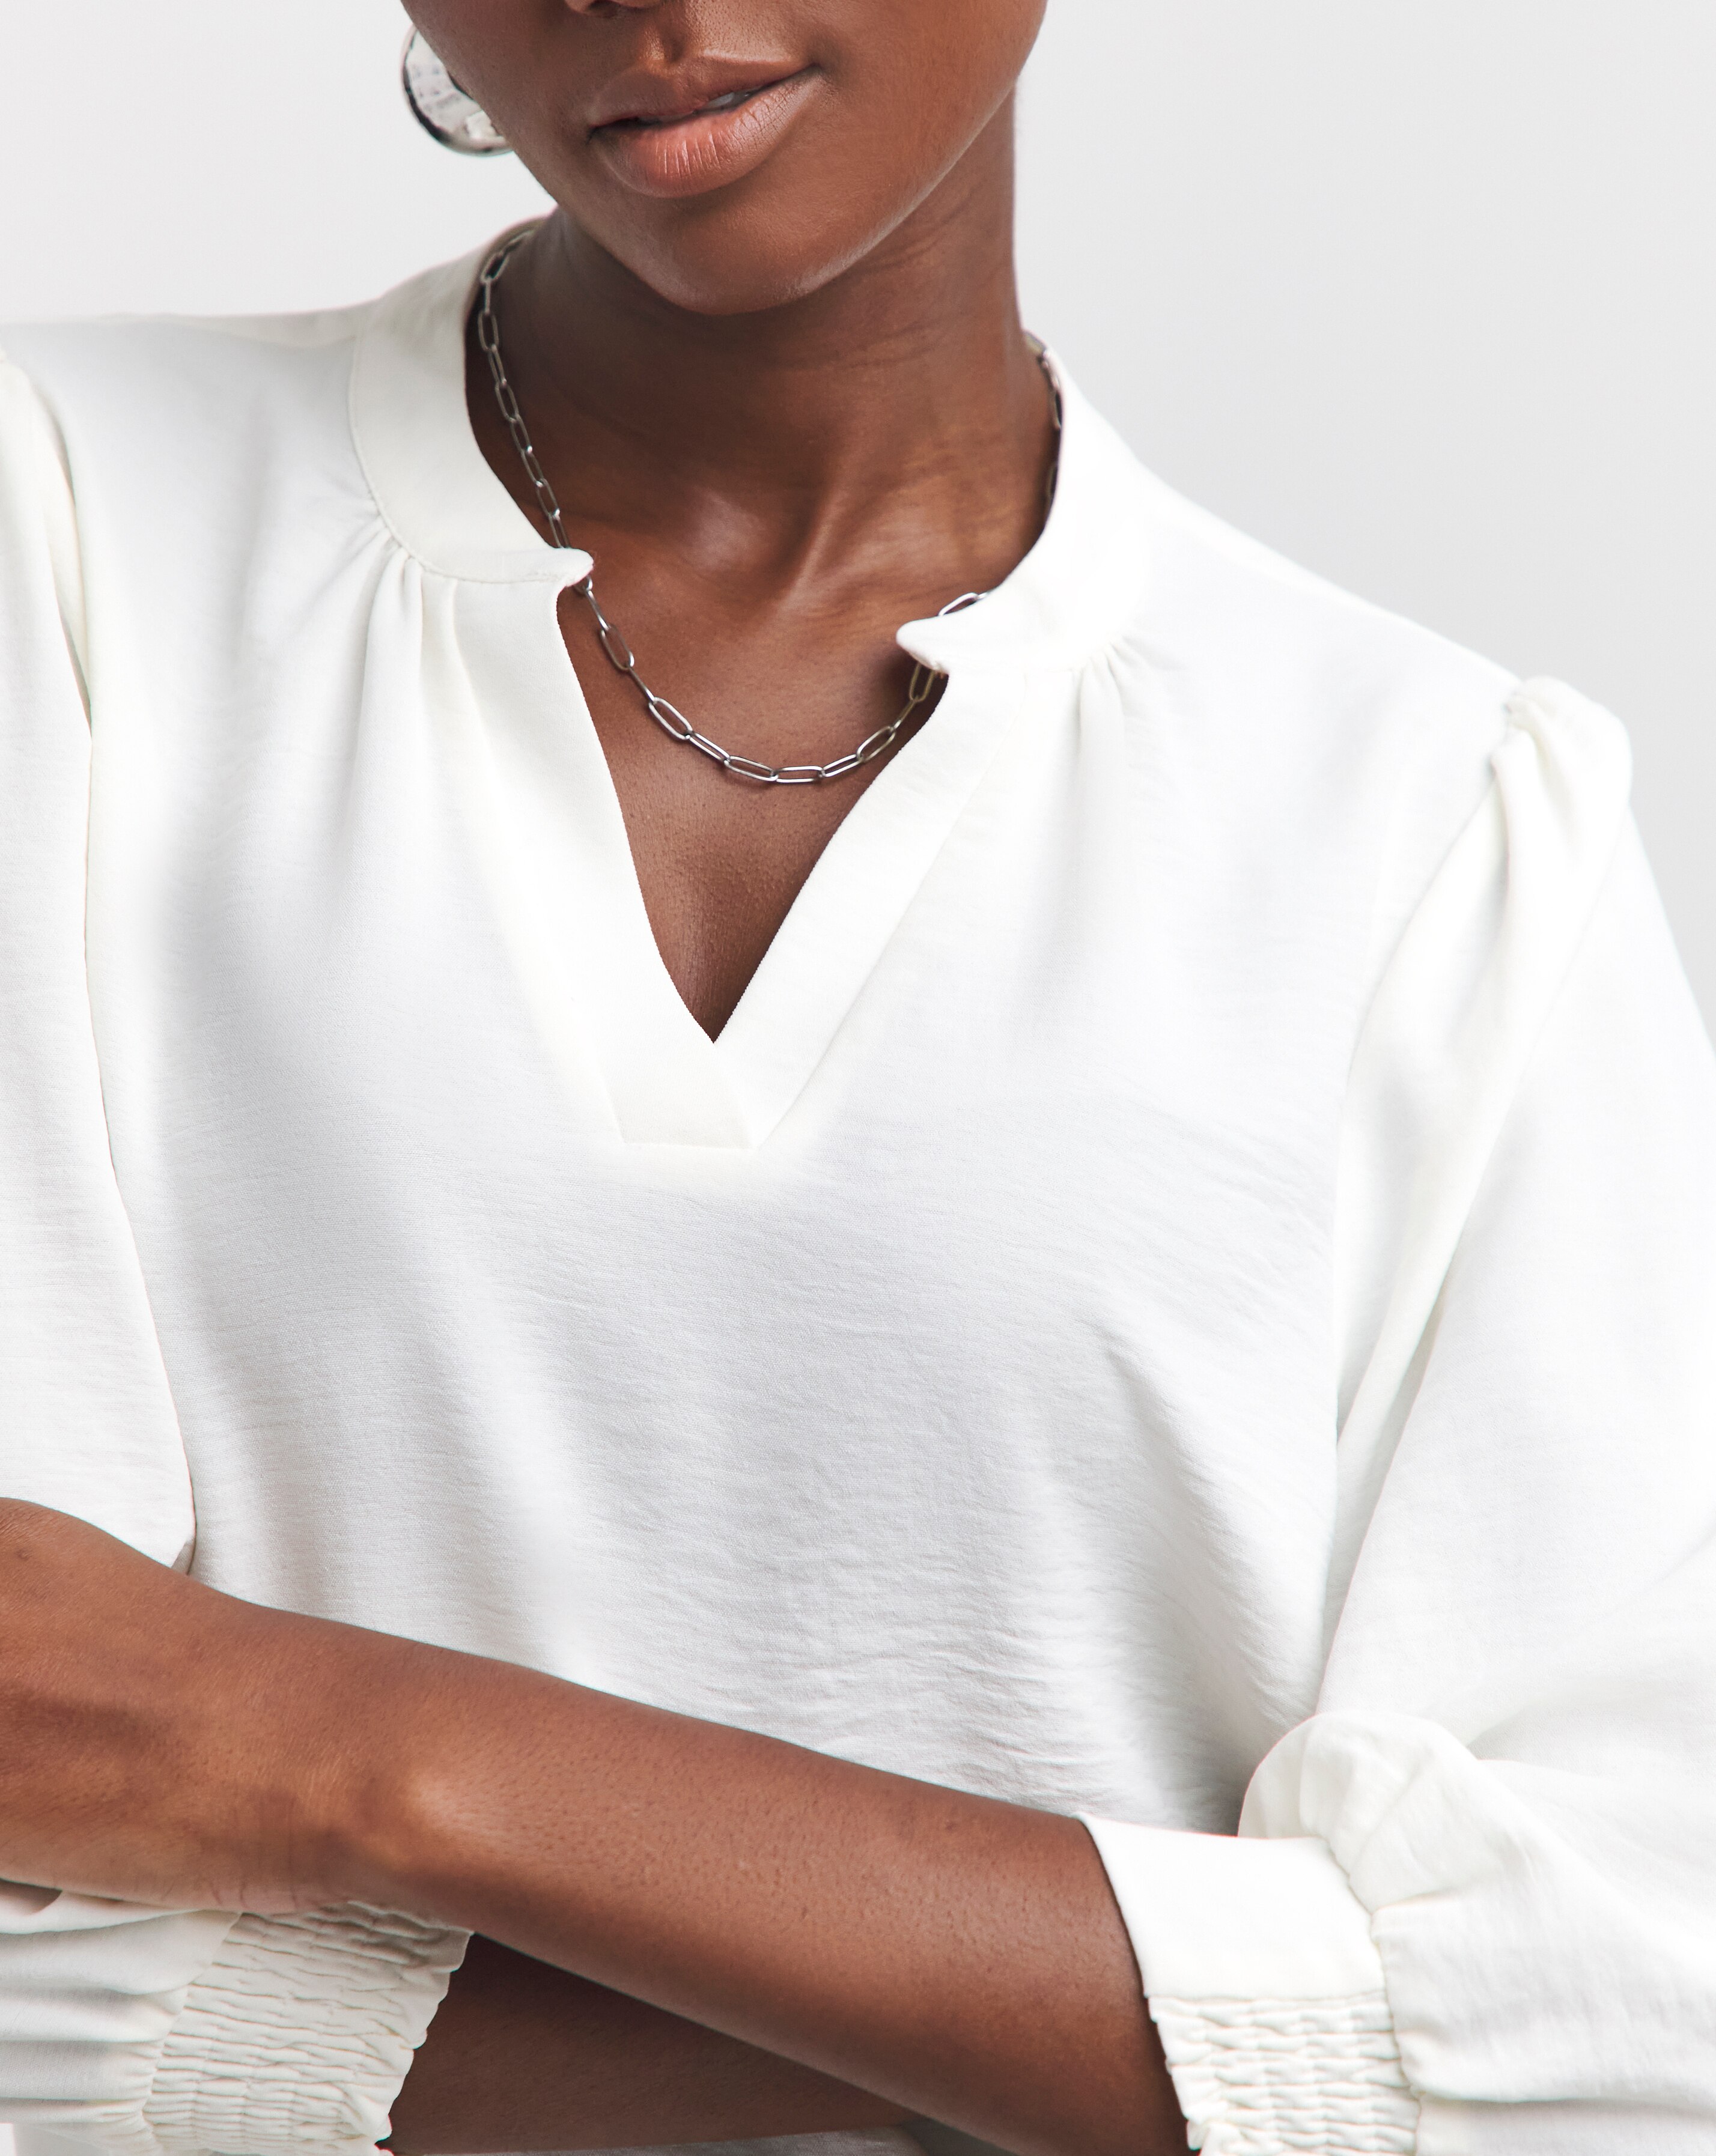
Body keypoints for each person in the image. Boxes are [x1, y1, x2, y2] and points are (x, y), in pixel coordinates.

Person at [2, 2, 1714, 2152]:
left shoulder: (1441, 830)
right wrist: (1146, 2013)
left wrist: (361, 1760)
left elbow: (1630, 2028)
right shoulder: (67, 530)